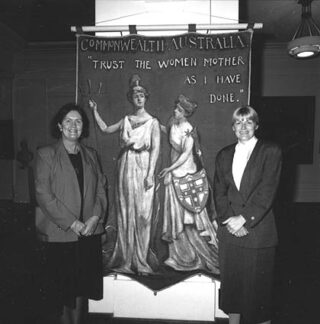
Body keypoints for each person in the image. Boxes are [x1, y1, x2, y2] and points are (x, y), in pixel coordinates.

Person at [35, 103, 107, 324]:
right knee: (63, 291)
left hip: (89, 233)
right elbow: (43, 195)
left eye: (78, 121)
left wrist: (95, 218)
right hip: (61, 235)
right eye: (68, 121)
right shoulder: (46, 154)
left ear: (83, 126)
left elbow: (101, 189)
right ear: (59, 125)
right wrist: (73, 223)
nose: (73, 126)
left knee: (82, 288)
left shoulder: (92, 155)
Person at [213, 106, 282, 324]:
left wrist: (243, 219)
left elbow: (267, 190)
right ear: (233, 128)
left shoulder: (271, 151)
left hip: (258, 233)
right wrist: (229, 222)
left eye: (248, 122)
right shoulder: (224, 155)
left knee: (258, 298)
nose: (243, 127)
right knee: (233, 293)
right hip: (230, 233)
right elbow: (219, 192)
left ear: (256, 125)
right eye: (238, 123)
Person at [89, 74, 161, 275]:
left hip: (144, 164)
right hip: (126, 165)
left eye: (142, 94)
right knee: (126, 210)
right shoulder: (126, 120)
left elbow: (155, 149)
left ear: (146, 98)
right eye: (135, 94)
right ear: (131, 98)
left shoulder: (153, 122)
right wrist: (95, 111)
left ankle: (142, 259)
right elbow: (104, 129)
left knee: (143, 214)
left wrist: (150, 174)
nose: (139, 97)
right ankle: (127, 258)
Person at [159, 94, 219, 274]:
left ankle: (199, 255)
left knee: (190, 216)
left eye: (178, 110)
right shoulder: (173, 122)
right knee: (177, 217)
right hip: (176, 172)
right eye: (175, 108)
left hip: (187, 173)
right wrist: (153, 125)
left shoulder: (188, 130)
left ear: (185, 113)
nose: (175, 111)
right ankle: (179, 257)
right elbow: (167, 132)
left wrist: (169, 169)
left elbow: (186, 154)